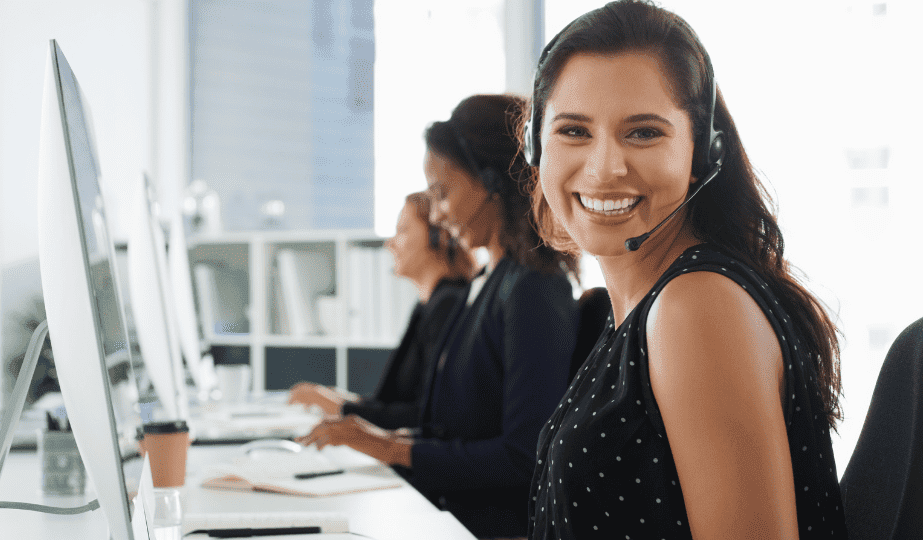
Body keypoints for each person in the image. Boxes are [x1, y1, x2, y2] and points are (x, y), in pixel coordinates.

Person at [523, 2, 847, 538]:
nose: (605, 168)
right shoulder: (642, 309)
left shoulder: (694, 308)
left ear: (702, 152)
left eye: (644, 132)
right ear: (538, 146)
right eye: (574, 131)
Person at [297, 94, 580, 539]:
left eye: (442, 193)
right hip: (444, 514)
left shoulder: (533, 290)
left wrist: (389, 447)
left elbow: (524, 455)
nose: (439, 213)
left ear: (490, 183)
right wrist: (379, 437)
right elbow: (451, 428)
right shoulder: (487, 282)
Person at [287, 191, 474, 429]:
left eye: (402, 230)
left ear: (438, 235)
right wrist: (335, 398)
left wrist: (340, 406)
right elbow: (392, 402)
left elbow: (426, 416)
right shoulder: (428, 305)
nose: (390, 243)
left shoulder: (447, 306)